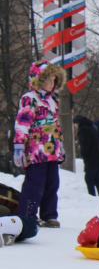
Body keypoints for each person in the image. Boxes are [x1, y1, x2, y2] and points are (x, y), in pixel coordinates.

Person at [12, 60, 66, 228]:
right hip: (36, 150)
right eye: (48, 80)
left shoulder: (53, 100)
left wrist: (61, 144)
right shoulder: (29, 99)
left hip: (52, 150)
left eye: (54, 80)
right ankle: (27, 215)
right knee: (35, 183)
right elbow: (23, 122)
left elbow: (56, 124)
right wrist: (19, 146)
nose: (52, 84)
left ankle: (49, 214)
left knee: (52, 183)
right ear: (39, 80)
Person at [73, 115, 99, 198]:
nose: (75, 126)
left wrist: (84, 153)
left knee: (89, 179)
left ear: (78, 123)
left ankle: (92, 197)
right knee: (96, 179)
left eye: (75, 124)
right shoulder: (91, 128)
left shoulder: (83, 130)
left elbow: (85, 144)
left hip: (92, 158)